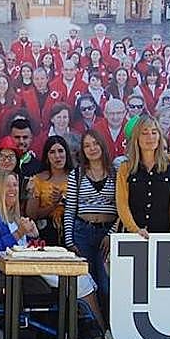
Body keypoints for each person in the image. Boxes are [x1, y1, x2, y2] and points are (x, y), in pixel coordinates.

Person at [0, 171, 107, 339]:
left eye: (14, 185)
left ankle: (95, 334)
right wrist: (19, 233)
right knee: (79, 281)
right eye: (7, 185)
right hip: (12, 276)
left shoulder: (14, 215)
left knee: (82, 276)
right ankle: (99, 337)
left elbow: (23, 248)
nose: (12, 189)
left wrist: (33, 236)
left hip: (31, 269)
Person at [63, 129, 118, 302]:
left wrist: (111, 235)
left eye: (95, 143)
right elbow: (70, 209)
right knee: (87, 282)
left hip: (107, 233)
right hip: (82, 232)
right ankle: (91, 326)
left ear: (102, 144)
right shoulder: (76, 175)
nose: (92, 148)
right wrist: (70, 241)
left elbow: (123, 209)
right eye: (87, 145)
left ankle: (110, 324)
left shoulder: (116, 173)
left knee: (107, 283)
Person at [116, 115, 170, 241]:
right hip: (132, 237)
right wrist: (135, 230)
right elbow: (122, 204)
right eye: (144, 133)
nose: (150, 137)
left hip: (165, 236)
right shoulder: (125, 168)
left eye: (154, 132)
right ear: (137, 138)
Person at [27, 135, 72, 246]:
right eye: (52, 152)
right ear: (47, 157)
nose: (57, 156)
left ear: (66, 153)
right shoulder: (38, 179)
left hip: (73, 232)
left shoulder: (76, 177)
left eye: (61, 151)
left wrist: (63, 200)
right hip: (45, 232)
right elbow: (32, 215)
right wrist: (54, 205)